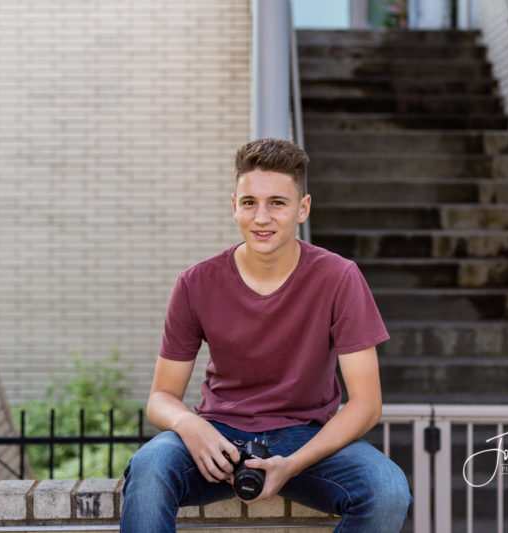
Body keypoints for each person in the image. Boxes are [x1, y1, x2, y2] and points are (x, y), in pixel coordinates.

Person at [120, 137, 412, 532]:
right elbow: (161, 397)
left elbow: (366, 404)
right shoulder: (195, 282)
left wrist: (292, 464)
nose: (261, 218)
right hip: (219, 437)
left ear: (302, 208)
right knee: (149, 468)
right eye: (249, 203)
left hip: (306, 439)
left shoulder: (340, 277)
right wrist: (191, 425)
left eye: (277, 203)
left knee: (387, 490)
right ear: (234, 206)